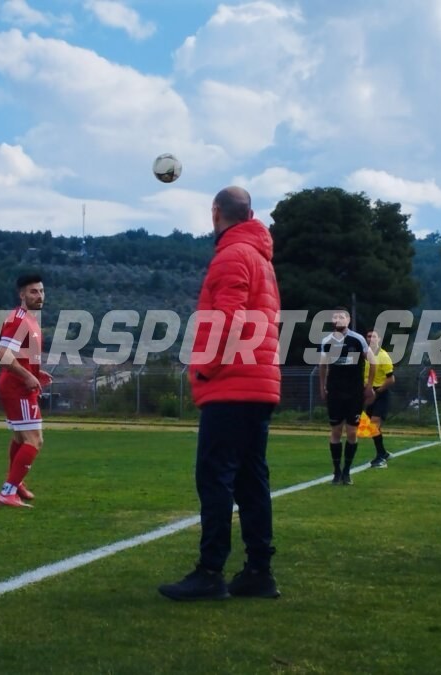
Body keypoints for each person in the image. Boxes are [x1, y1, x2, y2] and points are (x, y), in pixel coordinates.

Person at [158, 186, 283, 601]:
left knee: (215, 478)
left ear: (215, 213)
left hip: (232, 383)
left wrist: (204, 368)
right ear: (250, 213)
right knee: (251, 480)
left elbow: (227, 319)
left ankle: (210, 572)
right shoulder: (262, 259)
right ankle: (259, 572)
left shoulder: (232, 254)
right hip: (259, 382)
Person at [0, 273, 52, 508]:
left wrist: (36, 372)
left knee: (21, 437)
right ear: (22, 294)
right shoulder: (18, 320)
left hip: (18, 384)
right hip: (17, 387)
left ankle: (15, 483)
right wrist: (27, 376)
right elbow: (2, 354)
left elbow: (20, 356)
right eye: (33, 292)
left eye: (41, 291)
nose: (39, 296)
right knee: (34, 440)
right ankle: (7, 492)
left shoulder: (31, 320)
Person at [317, 309, 376, 484]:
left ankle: (347, 471)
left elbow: (373, 362)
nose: (338, 319)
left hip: (354, 393)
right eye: (335, 317)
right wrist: (322, 387)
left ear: (348, 320)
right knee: (336, 431)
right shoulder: (326, 341)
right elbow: (322, 366)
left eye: (342, 317)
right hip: (335, 392)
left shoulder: (357, 340)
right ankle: (336, 472)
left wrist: (369, 386)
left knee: (351, 432)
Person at [364, 329, 395, 468]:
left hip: (380, 393)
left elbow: (391, 379)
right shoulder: (363, 355)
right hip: (368, 392)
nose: (371, 338)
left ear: (379, 339)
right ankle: (383, 453)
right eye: (368, 336)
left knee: (374, 424)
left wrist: (376, 392)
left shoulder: (383, 356)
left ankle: (380, 458)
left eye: (374, 336)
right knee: (370, 427)